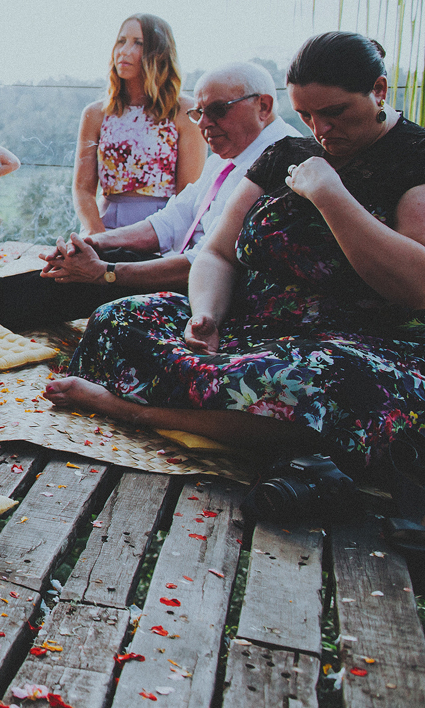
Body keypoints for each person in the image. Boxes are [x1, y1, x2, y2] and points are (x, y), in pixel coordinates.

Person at [48, 33, 425, 467]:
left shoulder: (413, 158)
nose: (320, 131)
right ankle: (217, 407)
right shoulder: (286, 152)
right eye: (305, 115)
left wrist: (330, 195)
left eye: (334, 112)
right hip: (250, 323)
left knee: (329, 386)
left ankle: (133, 410)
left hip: (354, 342)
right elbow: (217, 254)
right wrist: (207, 314)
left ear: (378, 91)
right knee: (119, 318)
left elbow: (413, 287)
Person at [0, 62, 299, 329]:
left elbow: (205, 262)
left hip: (218, 297)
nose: (204, 124)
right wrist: (95, 242)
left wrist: (105, 274)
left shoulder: (280, 160)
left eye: (217, 111)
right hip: (189, 270)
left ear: (264, 106)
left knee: (97, 277)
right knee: (101, 257)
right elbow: (175, 219)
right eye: (199, 112)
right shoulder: (234, 149)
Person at [73, 15, 204, 233]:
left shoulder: (184, 111)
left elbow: (187, 195)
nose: (123, 51)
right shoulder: (96, 113)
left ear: (159, 53)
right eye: (121, 41)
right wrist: (99, 238)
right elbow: (82, 190)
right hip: (104, 226)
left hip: (162, 229)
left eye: (138, 43)